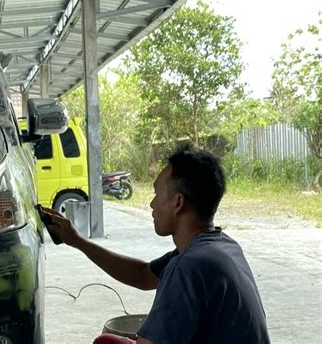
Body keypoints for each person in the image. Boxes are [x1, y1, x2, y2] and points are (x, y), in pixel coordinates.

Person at [44, 144, 270, 344]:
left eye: (156, 193)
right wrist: (78, 242)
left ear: (178, 202)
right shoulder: (219, 246)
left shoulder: (187, 267)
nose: (152, 204)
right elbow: (142, 274)